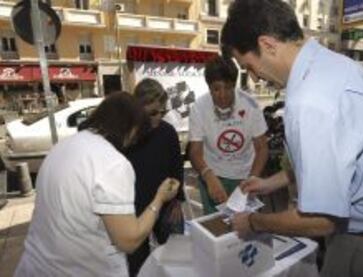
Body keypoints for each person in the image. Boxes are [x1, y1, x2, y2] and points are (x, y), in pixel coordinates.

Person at [221, 1, 363, 276]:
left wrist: (253, 222)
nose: (255, 78)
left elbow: (322, 221)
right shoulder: (331, 65)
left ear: (267, 45)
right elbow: (339, 162)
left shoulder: (310, 101)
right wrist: (269, 183)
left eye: (249, 66)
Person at [14, 92, 180, 277]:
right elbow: (129, 240)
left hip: (37, 265)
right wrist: (159, 198)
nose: (134, 141)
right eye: (137, 134)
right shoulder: (113, 163)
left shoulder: (63, 146)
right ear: (129, 127)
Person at [189, 56, 268, 214]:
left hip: (245, 175)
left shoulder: (250, 105)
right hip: (213, 175)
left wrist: (252, 179)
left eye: (228, 87)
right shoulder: (199, 108)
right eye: (216, 89)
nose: (223, 94)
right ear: (209, 87)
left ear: (235, 84)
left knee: (246, 227)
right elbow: (195, 151)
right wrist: (208, 176)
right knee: (217, 226)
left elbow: (262, 148)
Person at [126, 78, 184, 276]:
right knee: (138, 267)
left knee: (177, 262)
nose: (159, 117)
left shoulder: (168, 132)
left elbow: (177, 167)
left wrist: (178, 200)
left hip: (167, 208)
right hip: (134, 211)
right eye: (153, 112)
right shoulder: (126, 136)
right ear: (138, 108)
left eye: (163, 111)